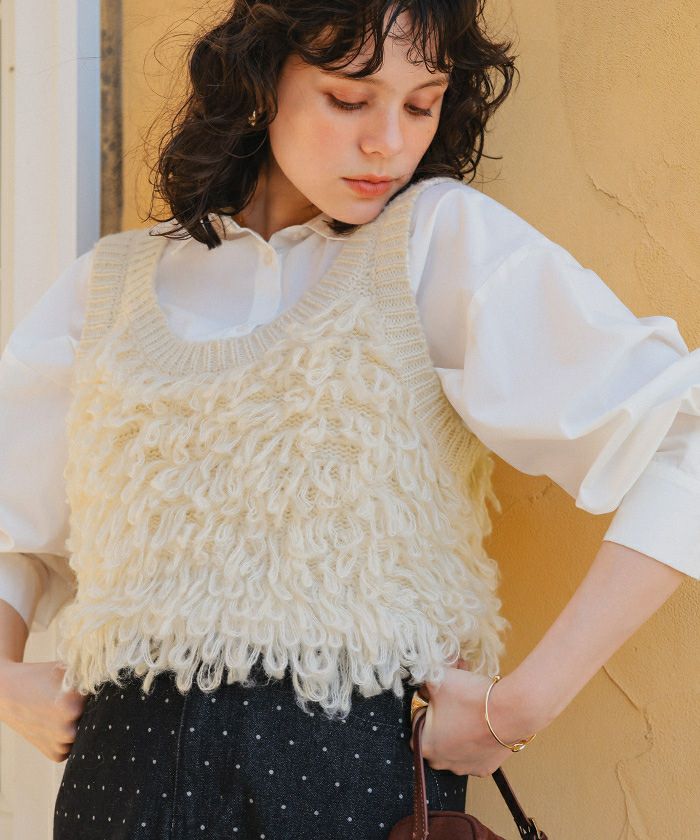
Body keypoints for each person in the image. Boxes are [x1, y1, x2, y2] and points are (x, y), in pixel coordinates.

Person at [0, 2, 697, 838]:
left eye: (421, 104)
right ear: (261, 85)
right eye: (348, 99)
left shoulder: (434, 243)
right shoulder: (106, 287)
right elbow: (13, 524)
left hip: (352, 779)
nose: (389, 144)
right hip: (123, 780)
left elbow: (683, 435)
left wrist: (521, 705)